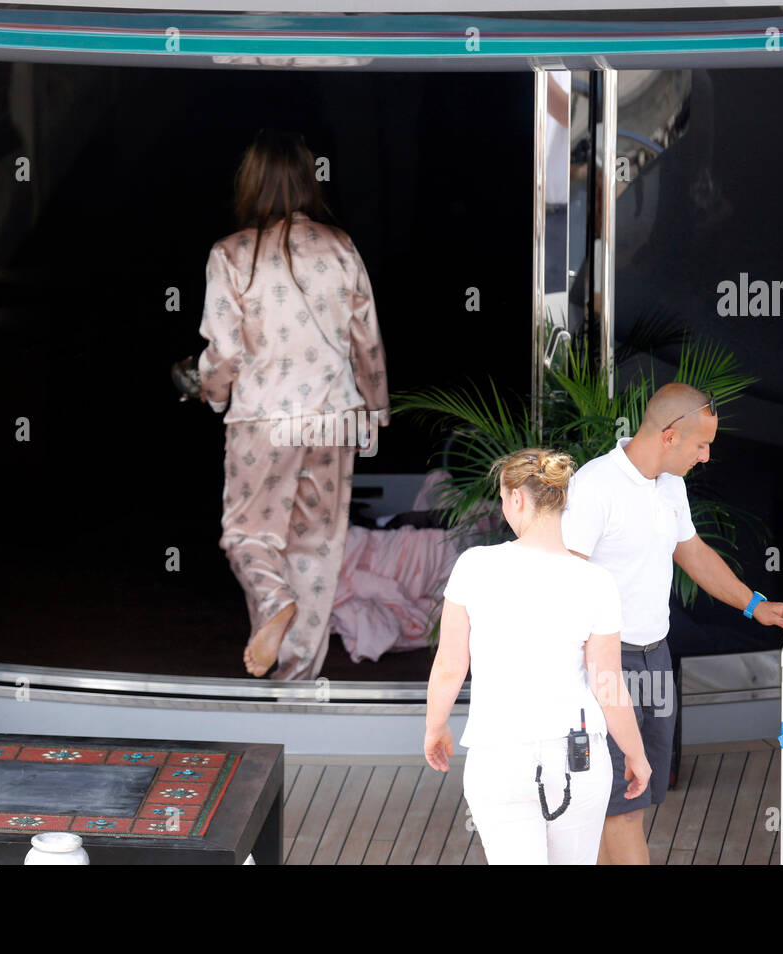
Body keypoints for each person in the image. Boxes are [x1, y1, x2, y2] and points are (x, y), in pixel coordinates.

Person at [561, 382, 783, 864]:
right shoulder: (595, 487)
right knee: (623, 809)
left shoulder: (670, 486)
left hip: (656, 657)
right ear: (670, 436)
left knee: (628, 801)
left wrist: (755, 604)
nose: (706, 456)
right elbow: (563, 582)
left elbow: (692, 553)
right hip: (605, 668)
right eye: (702, 444)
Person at [196, 128, 390, 680]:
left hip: (263, 418)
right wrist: (375, 412)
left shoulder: (229, 254)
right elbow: (367, 340)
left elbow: (224, 350)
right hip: (335, 419)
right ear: (310, 180)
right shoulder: (340, 246)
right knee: (314, 548)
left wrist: (211, 392)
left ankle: (273, 599)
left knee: (248, 535)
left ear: (249, 183)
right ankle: (295, 678)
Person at [424, 448, 651, 864]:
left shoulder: (474, 566)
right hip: (578, 755)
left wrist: (435, 727)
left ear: (516, 499)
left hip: (499, 755)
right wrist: (635, 753)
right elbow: (608, 682)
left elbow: (450, 667)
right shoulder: (596, 580)